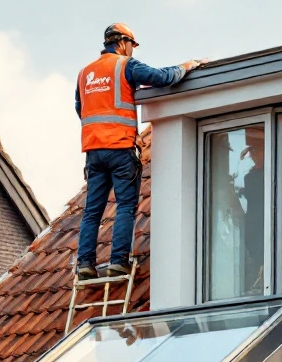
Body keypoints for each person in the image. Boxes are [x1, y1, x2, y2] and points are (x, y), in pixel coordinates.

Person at [74, 22, 206, 279]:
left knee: (92, 212)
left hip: (93, 151)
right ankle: (118, 260)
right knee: (125, 205)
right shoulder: (125, 65)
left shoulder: (84, 73)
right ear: (123, 43)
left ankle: (85, 264)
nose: (132, 50)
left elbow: (81, 109)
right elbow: (162, 78)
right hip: (121, 148)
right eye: (132, 46)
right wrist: (187, 66)